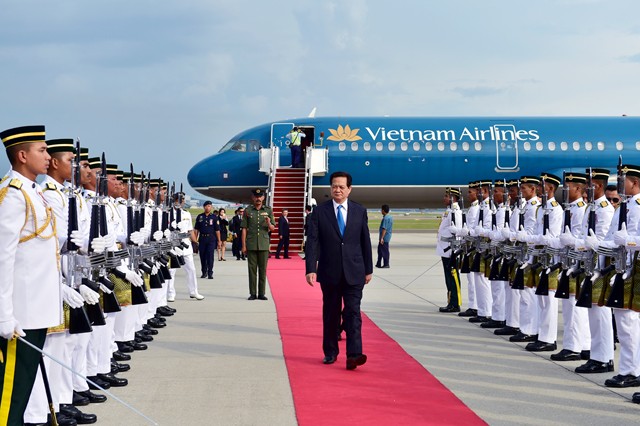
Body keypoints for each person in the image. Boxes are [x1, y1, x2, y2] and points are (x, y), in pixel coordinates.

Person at [0, 125, 63, 426]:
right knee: (8, 397)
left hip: (36, 312)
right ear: (22, 155)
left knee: (21, 393)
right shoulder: (12, 195)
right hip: (19, 317)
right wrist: (3, 315)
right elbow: (2, 258)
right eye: (42, 150)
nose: (48, 157)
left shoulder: (34, 193)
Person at [305, 171, 373, 370]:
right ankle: (330, 352)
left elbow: (365, 242)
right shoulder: (320, 212)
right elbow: (313, 243)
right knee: (331, 314)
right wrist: (311, 268)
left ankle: (354, 355)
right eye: (334, 186)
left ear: (349, 189)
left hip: (355, 271)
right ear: (330, 188)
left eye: (342, 186)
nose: (338, 189)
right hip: (330, 272)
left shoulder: (359, 211)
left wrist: (368, 269)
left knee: (353, 313)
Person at [241, 188, 275, 300]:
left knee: (262, 269)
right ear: (252, 198)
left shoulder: (268, 210)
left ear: (263, 198)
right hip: (251, 244)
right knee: (252, 270)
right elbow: (244, 229)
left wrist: (269, 223)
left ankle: (261, 293)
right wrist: (244, 245)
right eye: (256, 196)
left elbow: (273, 229)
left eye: (260, 196)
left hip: (264, 244)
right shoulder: (248, 211)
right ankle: (252, 293)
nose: (258, 199)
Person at [438, 188, 462, 313]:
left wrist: (455, 248)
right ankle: (450, 302)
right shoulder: (449, 211)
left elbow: (458, 230)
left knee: (453, 277)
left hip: (451, 250)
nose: (444, 198)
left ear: (453, 198)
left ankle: (455, 303)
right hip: (445, 249)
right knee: (448, 278)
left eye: (447, 196)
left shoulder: (455, 212)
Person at [193, 201, 221, 279]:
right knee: (202, 256)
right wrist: (195, 241)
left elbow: (217, 230)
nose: (208, 207)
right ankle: (204, 272)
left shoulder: (214, 217)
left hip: (211, 239)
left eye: (210, 206)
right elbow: (196, 229)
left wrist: (219, 241)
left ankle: (210, 273)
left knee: (210, 256)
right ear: (204, 207)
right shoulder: (200, 216)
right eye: (207, 206)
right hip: (202, 239)